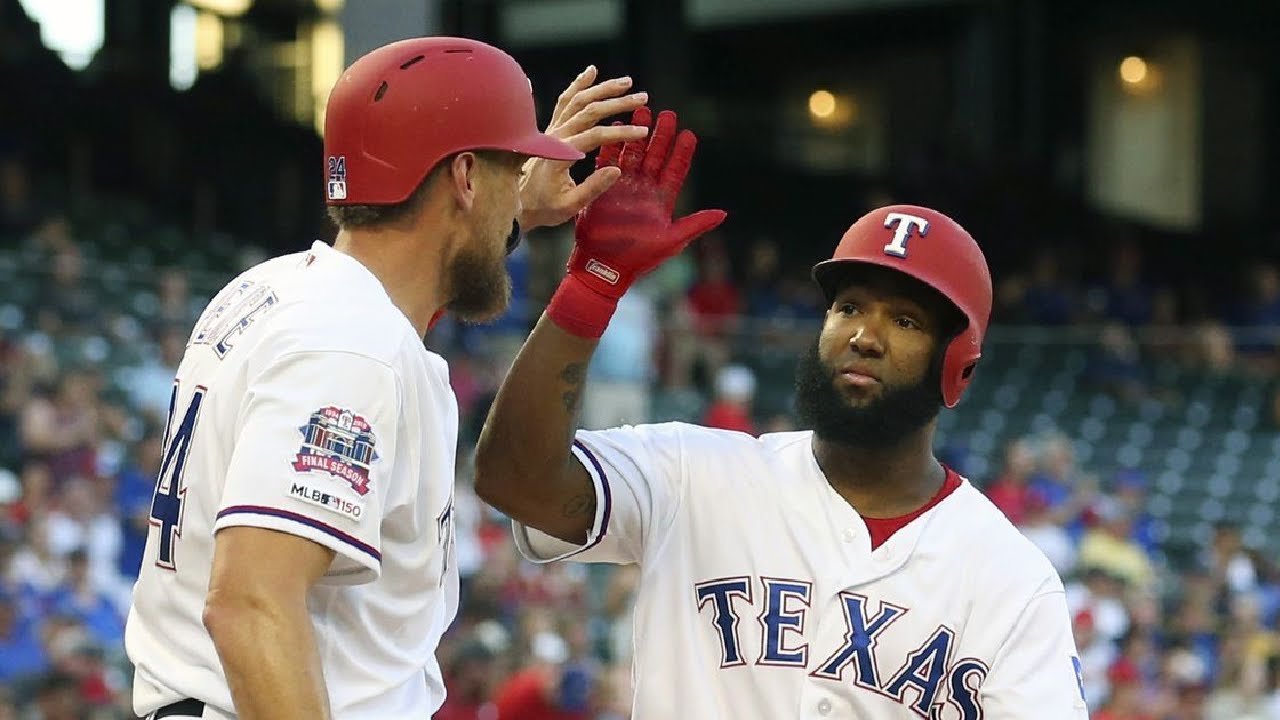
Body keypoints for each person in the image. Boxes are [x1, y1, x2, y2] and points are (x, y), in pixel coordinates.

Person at [473, 107, 1088, 718]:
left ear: (961, 367)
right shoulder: (694, 472)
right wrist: (591, 286)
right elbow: (513, 480)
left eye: (905, 321)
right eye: (848, 307)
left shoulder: (1010, 579)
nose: (864, 336)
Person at [124, 37, 649, 720]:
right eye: (512, 166)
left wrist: (511, 209)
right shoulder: (351, 344)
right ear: (464, 176)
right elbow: (251, 605)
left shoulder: (278, 288)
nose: (521, 184)